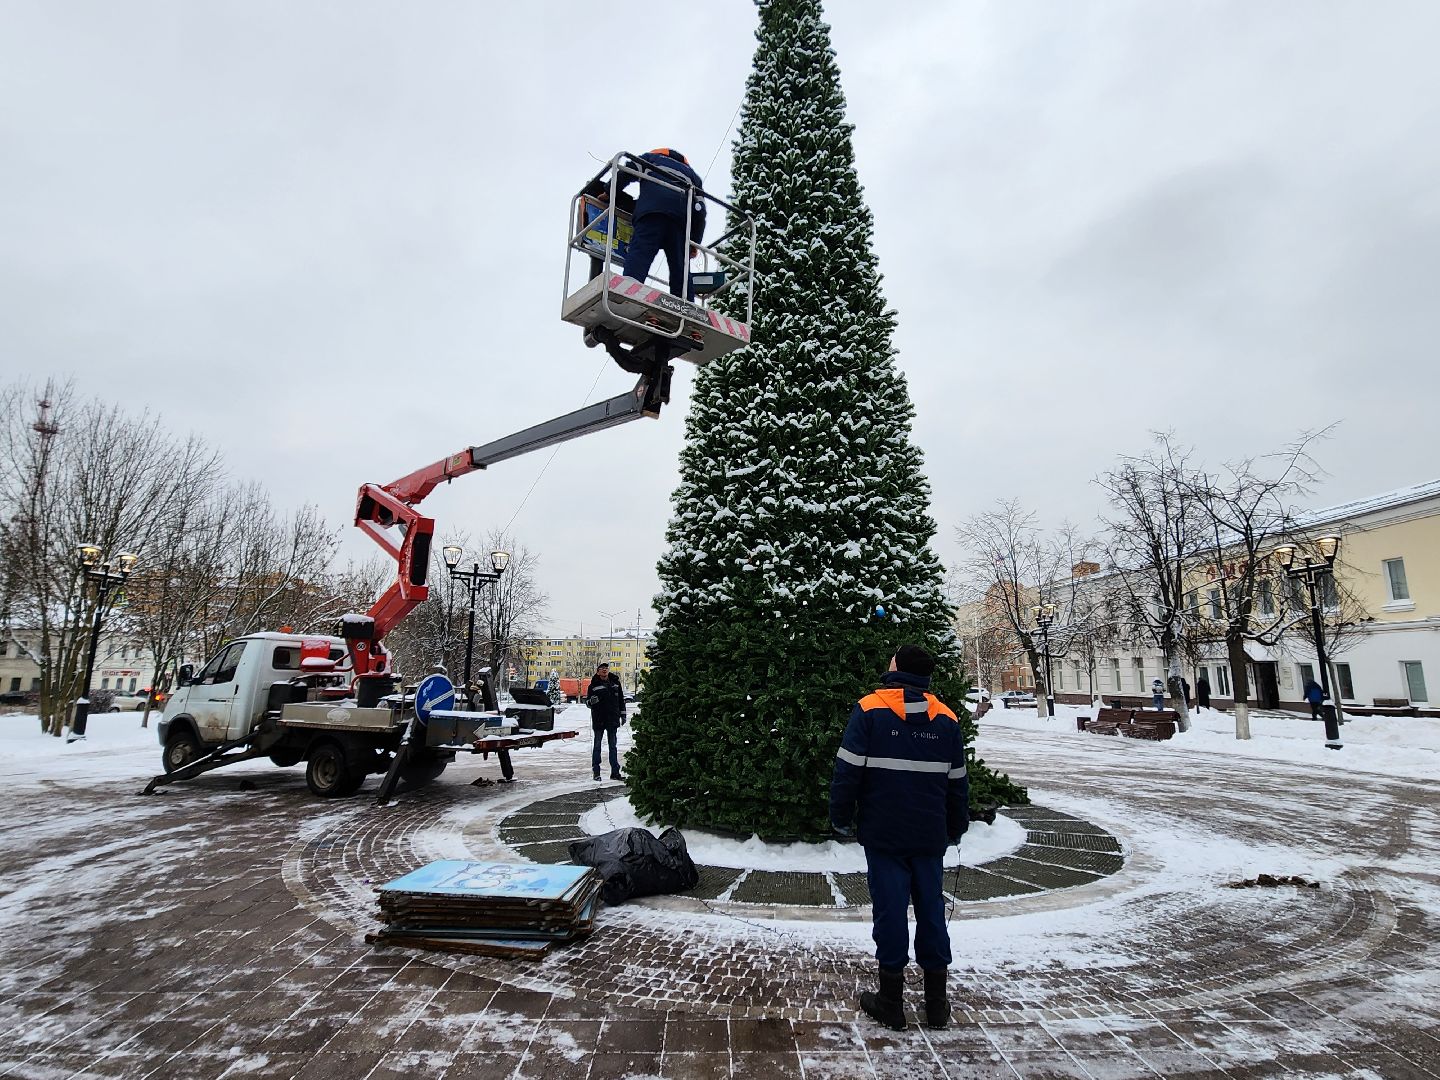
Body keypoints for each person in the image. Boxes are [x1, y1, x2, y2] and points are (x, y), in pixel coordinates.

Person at [830, 645, 968, 1032]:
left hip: (884, 832)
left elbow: (847, 771)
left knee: (890, 911)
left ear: (898, 668)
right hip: (929, 834)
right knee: (931, 910)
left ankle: (890, 1001)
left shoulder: (870, 709)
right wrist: (955, 826)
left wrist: (840, 817)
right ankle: (937, 1004)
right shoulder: (946, 718)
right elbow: (957, 782)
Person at [618, 148, 706, 300]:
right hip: (680, 223)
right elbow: (700, 212)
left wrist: (608, 191)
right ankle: (686, 303)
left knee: (641, 252)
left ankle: (629, 289)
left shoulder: (650, 159)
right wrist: (694, 243)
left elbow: (626, 172)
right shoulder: (693, 177)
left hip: (652, 214)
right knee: (681, 267)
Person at [587, 662, 627, 781]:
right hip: (599, 720)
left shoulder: (615, 683)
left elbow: (621, 700)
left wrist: (623, 715)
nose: (604, 671)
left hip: (612, 720)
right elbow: (588, 702)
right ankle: (596, 772)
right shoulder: (593, 685)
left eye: (606, 669)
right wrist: (591, 702)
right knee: (597, 747)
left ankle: (615, 773)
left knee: (613, 747)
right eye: (602, 669)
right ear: (597, 671)